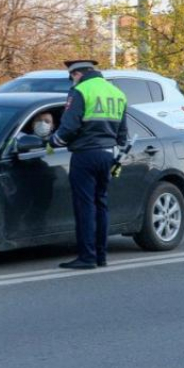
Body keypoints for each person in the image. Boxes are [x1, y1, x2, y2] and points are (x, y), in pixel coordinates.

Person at [48, 60, 127, 270]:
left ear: (76, 74)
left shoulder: (81, 91)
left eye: (70, 77)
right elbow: (123, 134)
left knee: (85, 206)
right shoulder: (116, 93)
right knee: (101, 204)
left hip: (85, 155)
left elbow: (69, 126)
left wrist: (53, 141)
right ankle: (101, 256)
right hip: (108, 154)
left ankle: (87, 257)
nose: (71, 82)